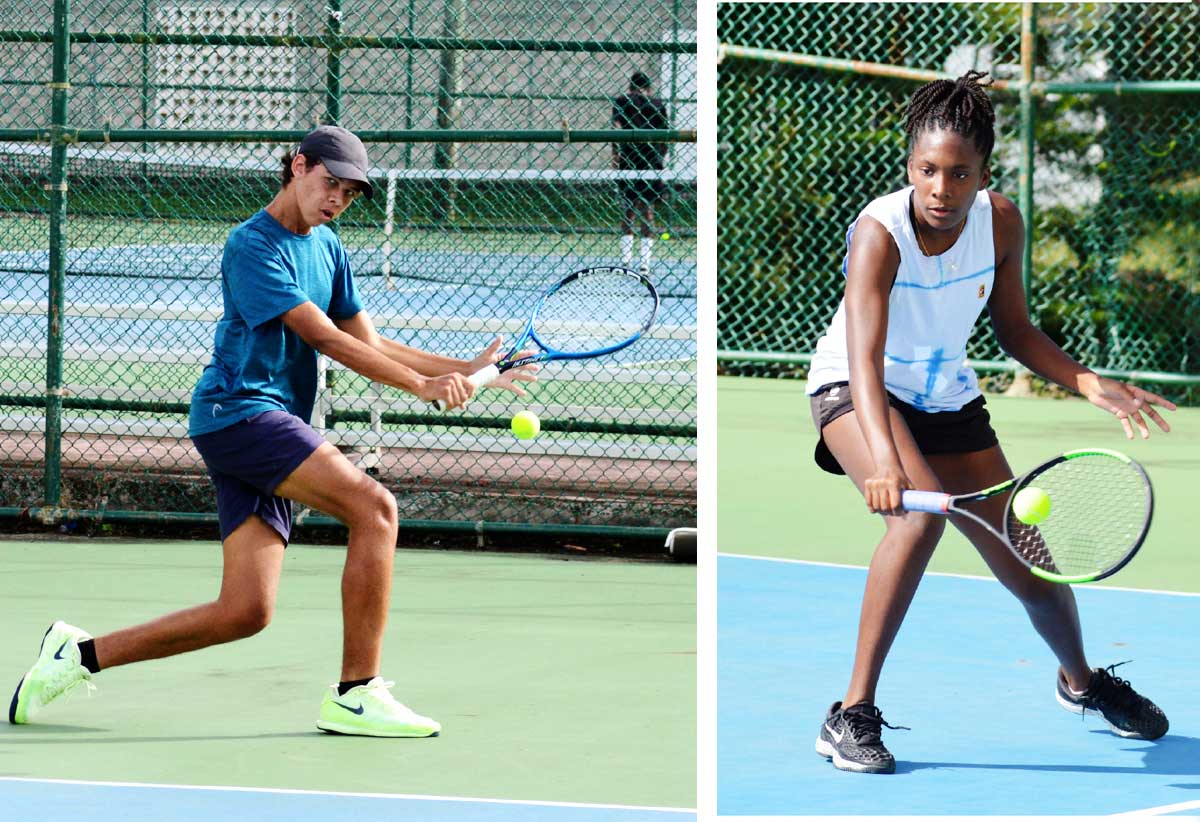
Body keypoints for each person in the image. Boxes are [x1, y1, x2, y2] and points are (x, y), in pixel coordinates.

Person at [9, 125, 536, 737]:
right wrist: (420, 387)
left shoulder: (328, 247)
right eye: (329, 182)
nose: (336, 198)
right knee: (376, 509)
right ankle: (356, 693)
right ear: (298, 167)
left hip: (265, 423)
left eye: (349, 191)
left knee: (245, 611)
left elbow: (368, 340)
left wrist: (464, 368)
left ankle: (77, 655)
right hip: (242, 414)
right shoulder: (251, 245)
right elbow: (325, 339)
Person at [805, 72, 1176, 774]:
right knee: (917, 521)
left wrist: (1089, 384)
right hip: (857, 388)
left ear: (983, 174)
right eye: (927, 171)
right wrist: (884, 462)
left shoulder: (1000, 221)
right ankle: (848, 714)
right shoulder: (879, 234)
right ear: (909, 166)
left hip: (946, 394)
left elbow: (1015, 329)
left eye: (958, 173)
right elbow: (863, 356)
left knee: (1027, 558)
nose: (941, 188)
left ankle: (1081, 681)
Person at [612, 71, 669, 275]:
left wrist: (616, 154)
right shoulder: (657, 103)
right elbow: (665, 135)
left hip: (629, 159)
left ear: (630, 86)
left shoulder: (622, 101)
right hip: (651, 160)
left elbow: (616, 128)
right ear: (649, 87)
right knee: (647, 210)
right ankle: (645, 263)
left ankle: (626, 261)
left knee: (628, 209)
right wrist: (659, 158)